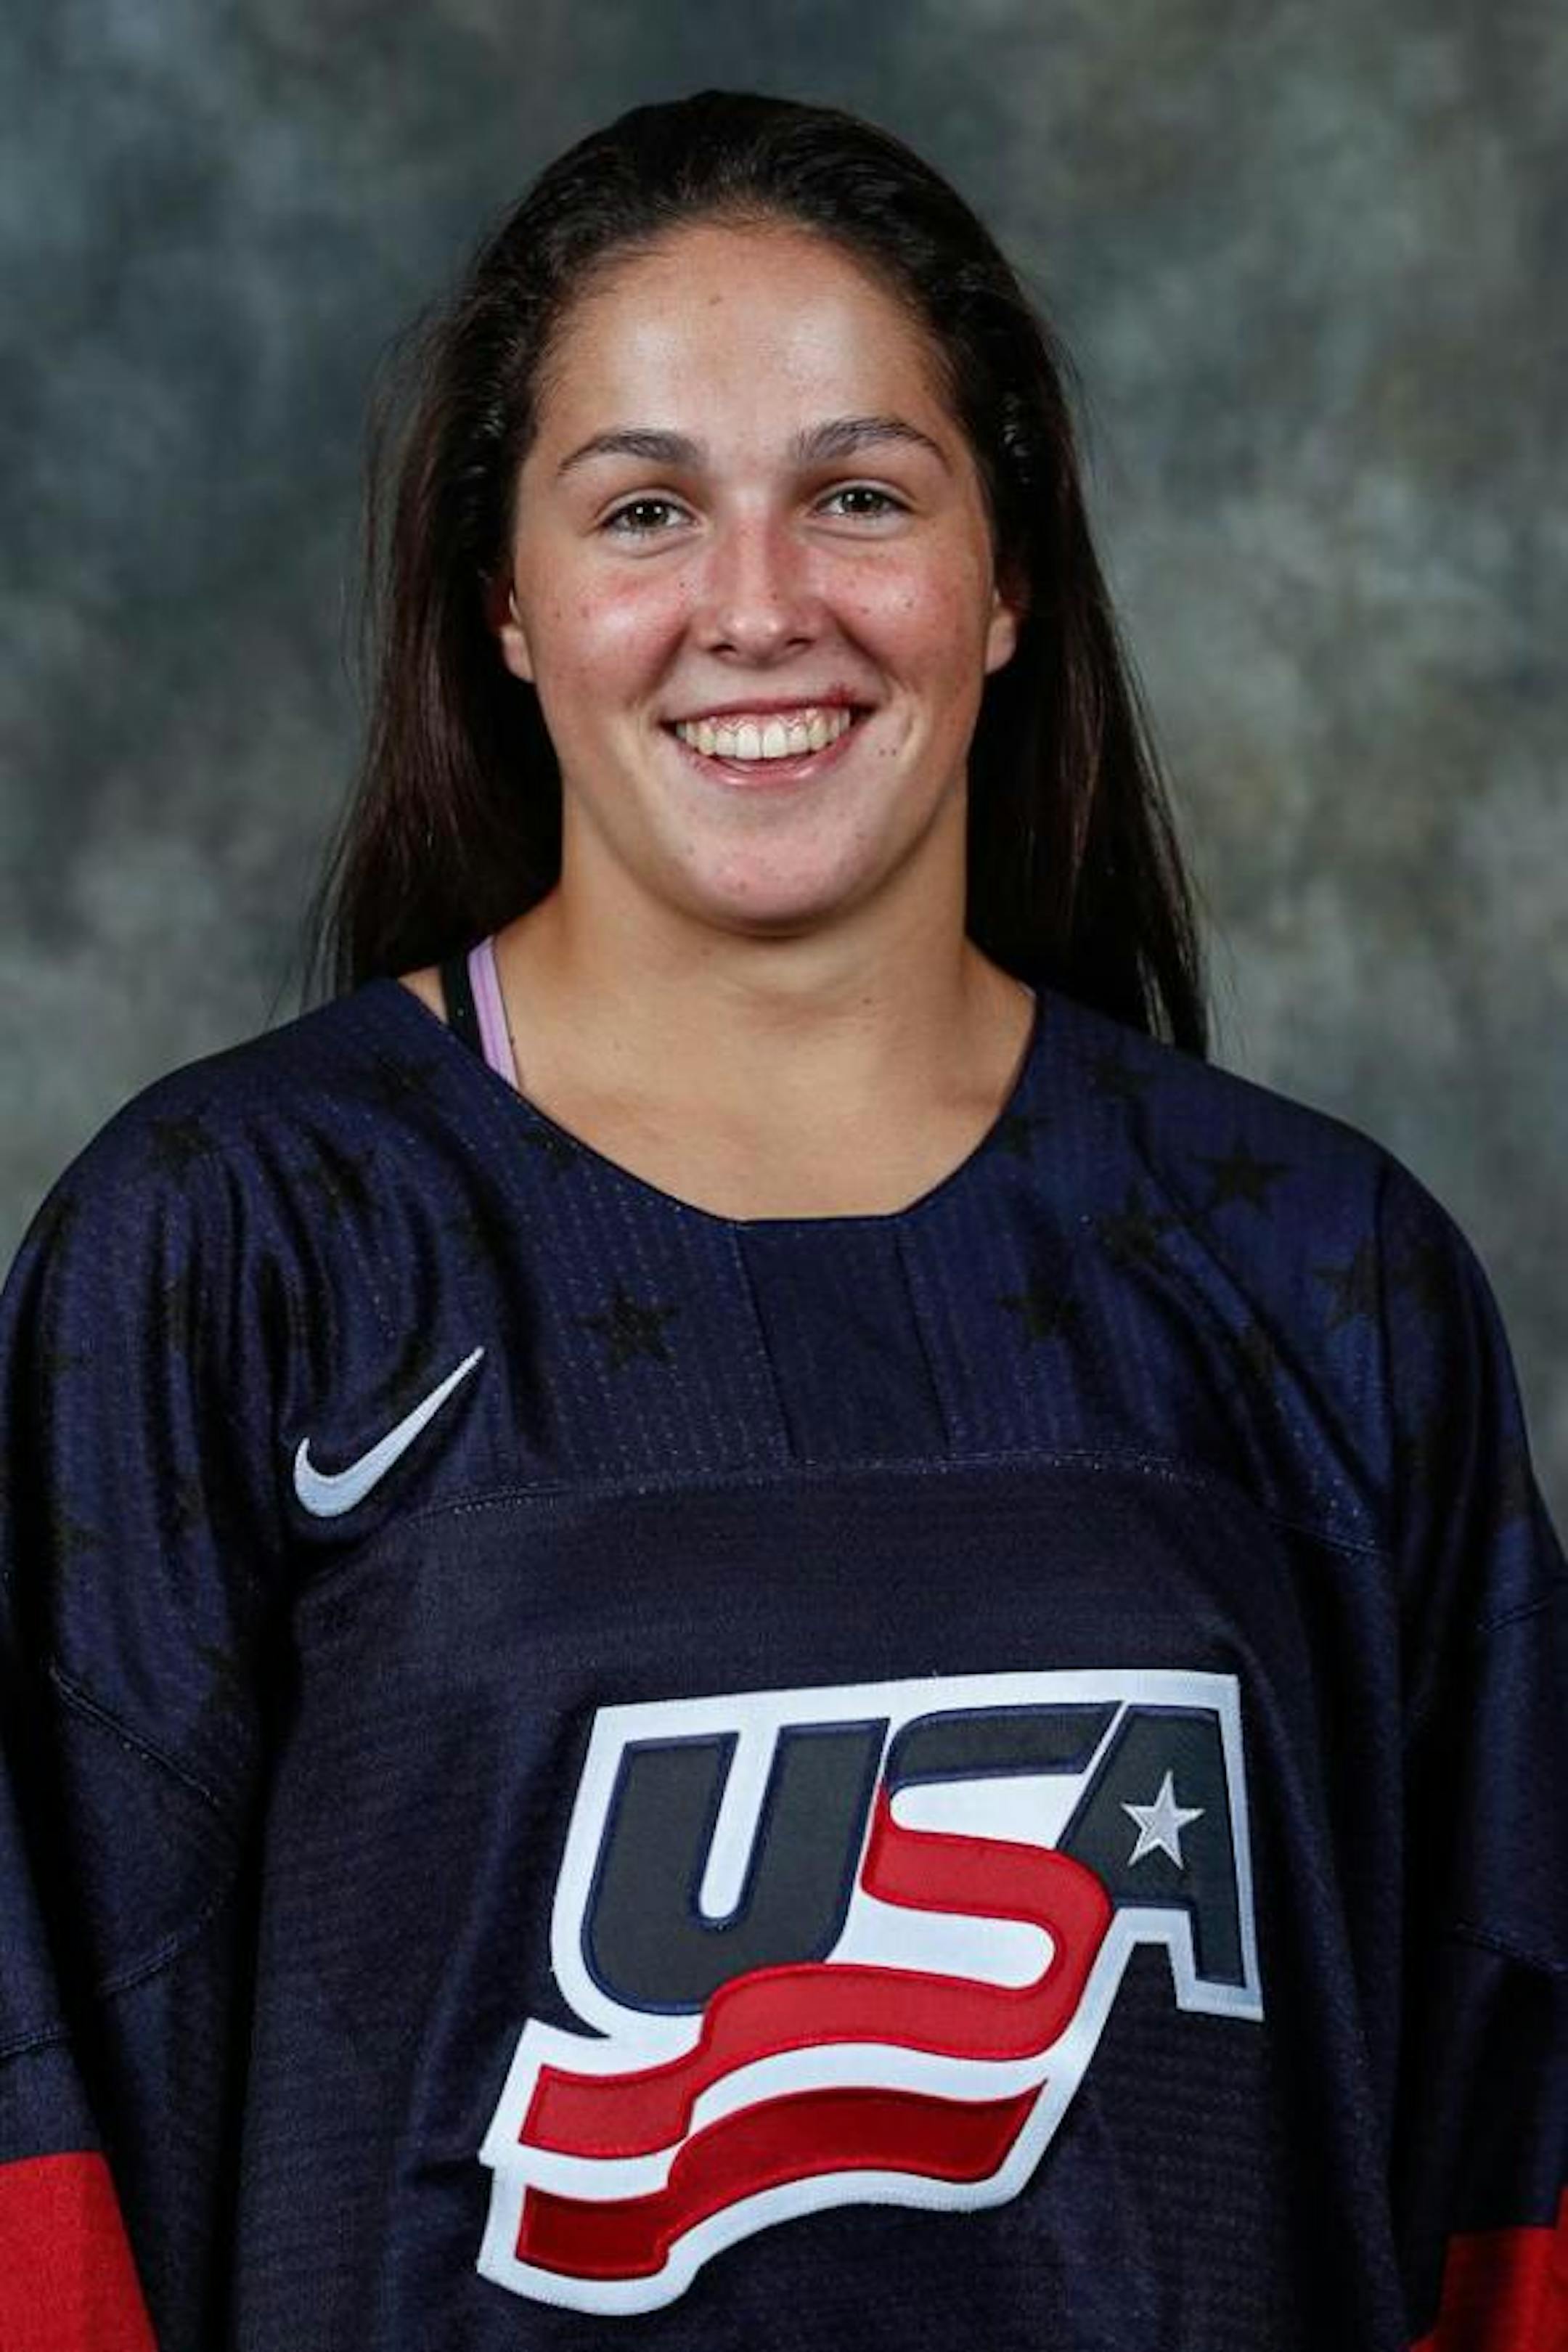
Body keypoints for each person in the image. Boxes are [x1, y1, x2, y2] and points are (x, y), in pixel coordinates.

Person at [0, 86, 1562, 2352]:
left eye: (858, 496)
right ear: (507, 608)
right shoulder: (241, 1251)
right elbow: (48, 2169)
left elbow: (1511, 2179)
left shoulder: (1319, 1277)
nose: (759, 608)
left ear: (1005, 576)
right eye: (645, 509)